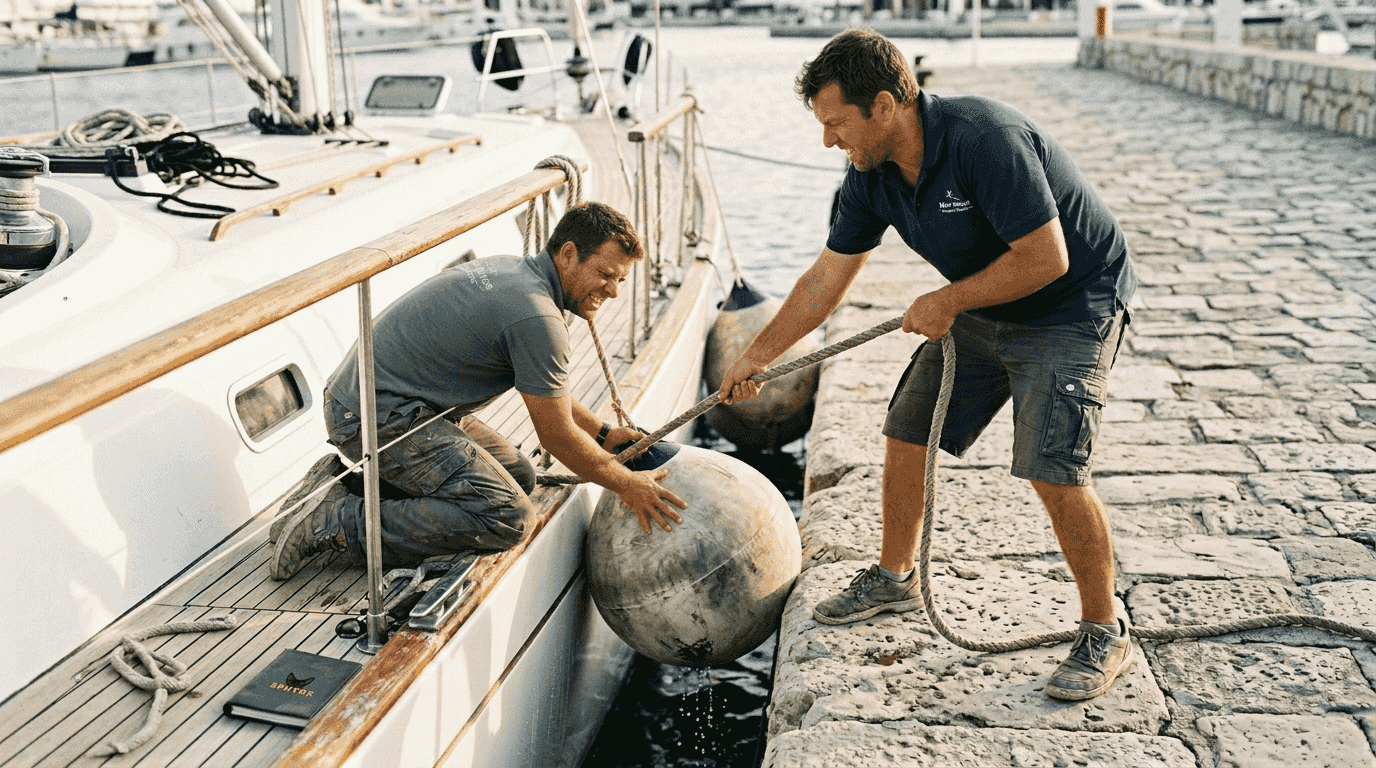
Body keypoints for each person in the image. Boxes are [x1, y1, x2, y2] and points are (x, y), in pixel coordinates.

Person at [717, 28, 1137, 701]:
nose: (829, 141)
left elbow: (1046, 258)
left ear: (885, 105)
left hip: (1071, 305)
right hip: (985, 301)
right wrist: (758, 357)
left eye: (835, 124)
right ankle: (895, 577)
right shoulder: (867, 175)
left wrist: (949, 298)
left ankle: (1102, 629)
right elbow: (827, 278)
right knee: (907, 426)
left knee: (1052, 469)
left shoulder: (982, 138)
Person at [272, 201, 687, 580]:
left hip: (383, 401)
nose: (613, 291)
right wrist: (629, 486)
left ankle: (340, 488)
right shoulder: (537, 317)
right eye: (606, 275)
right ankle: (338, 521)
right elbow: (556, 436)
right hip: (375, 416)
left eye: (620, 279)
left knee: (519, 475)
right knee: (507, 517)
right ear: (568, 254)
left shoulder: (516, 272)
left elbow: (547, 389)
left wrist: (601, 435)